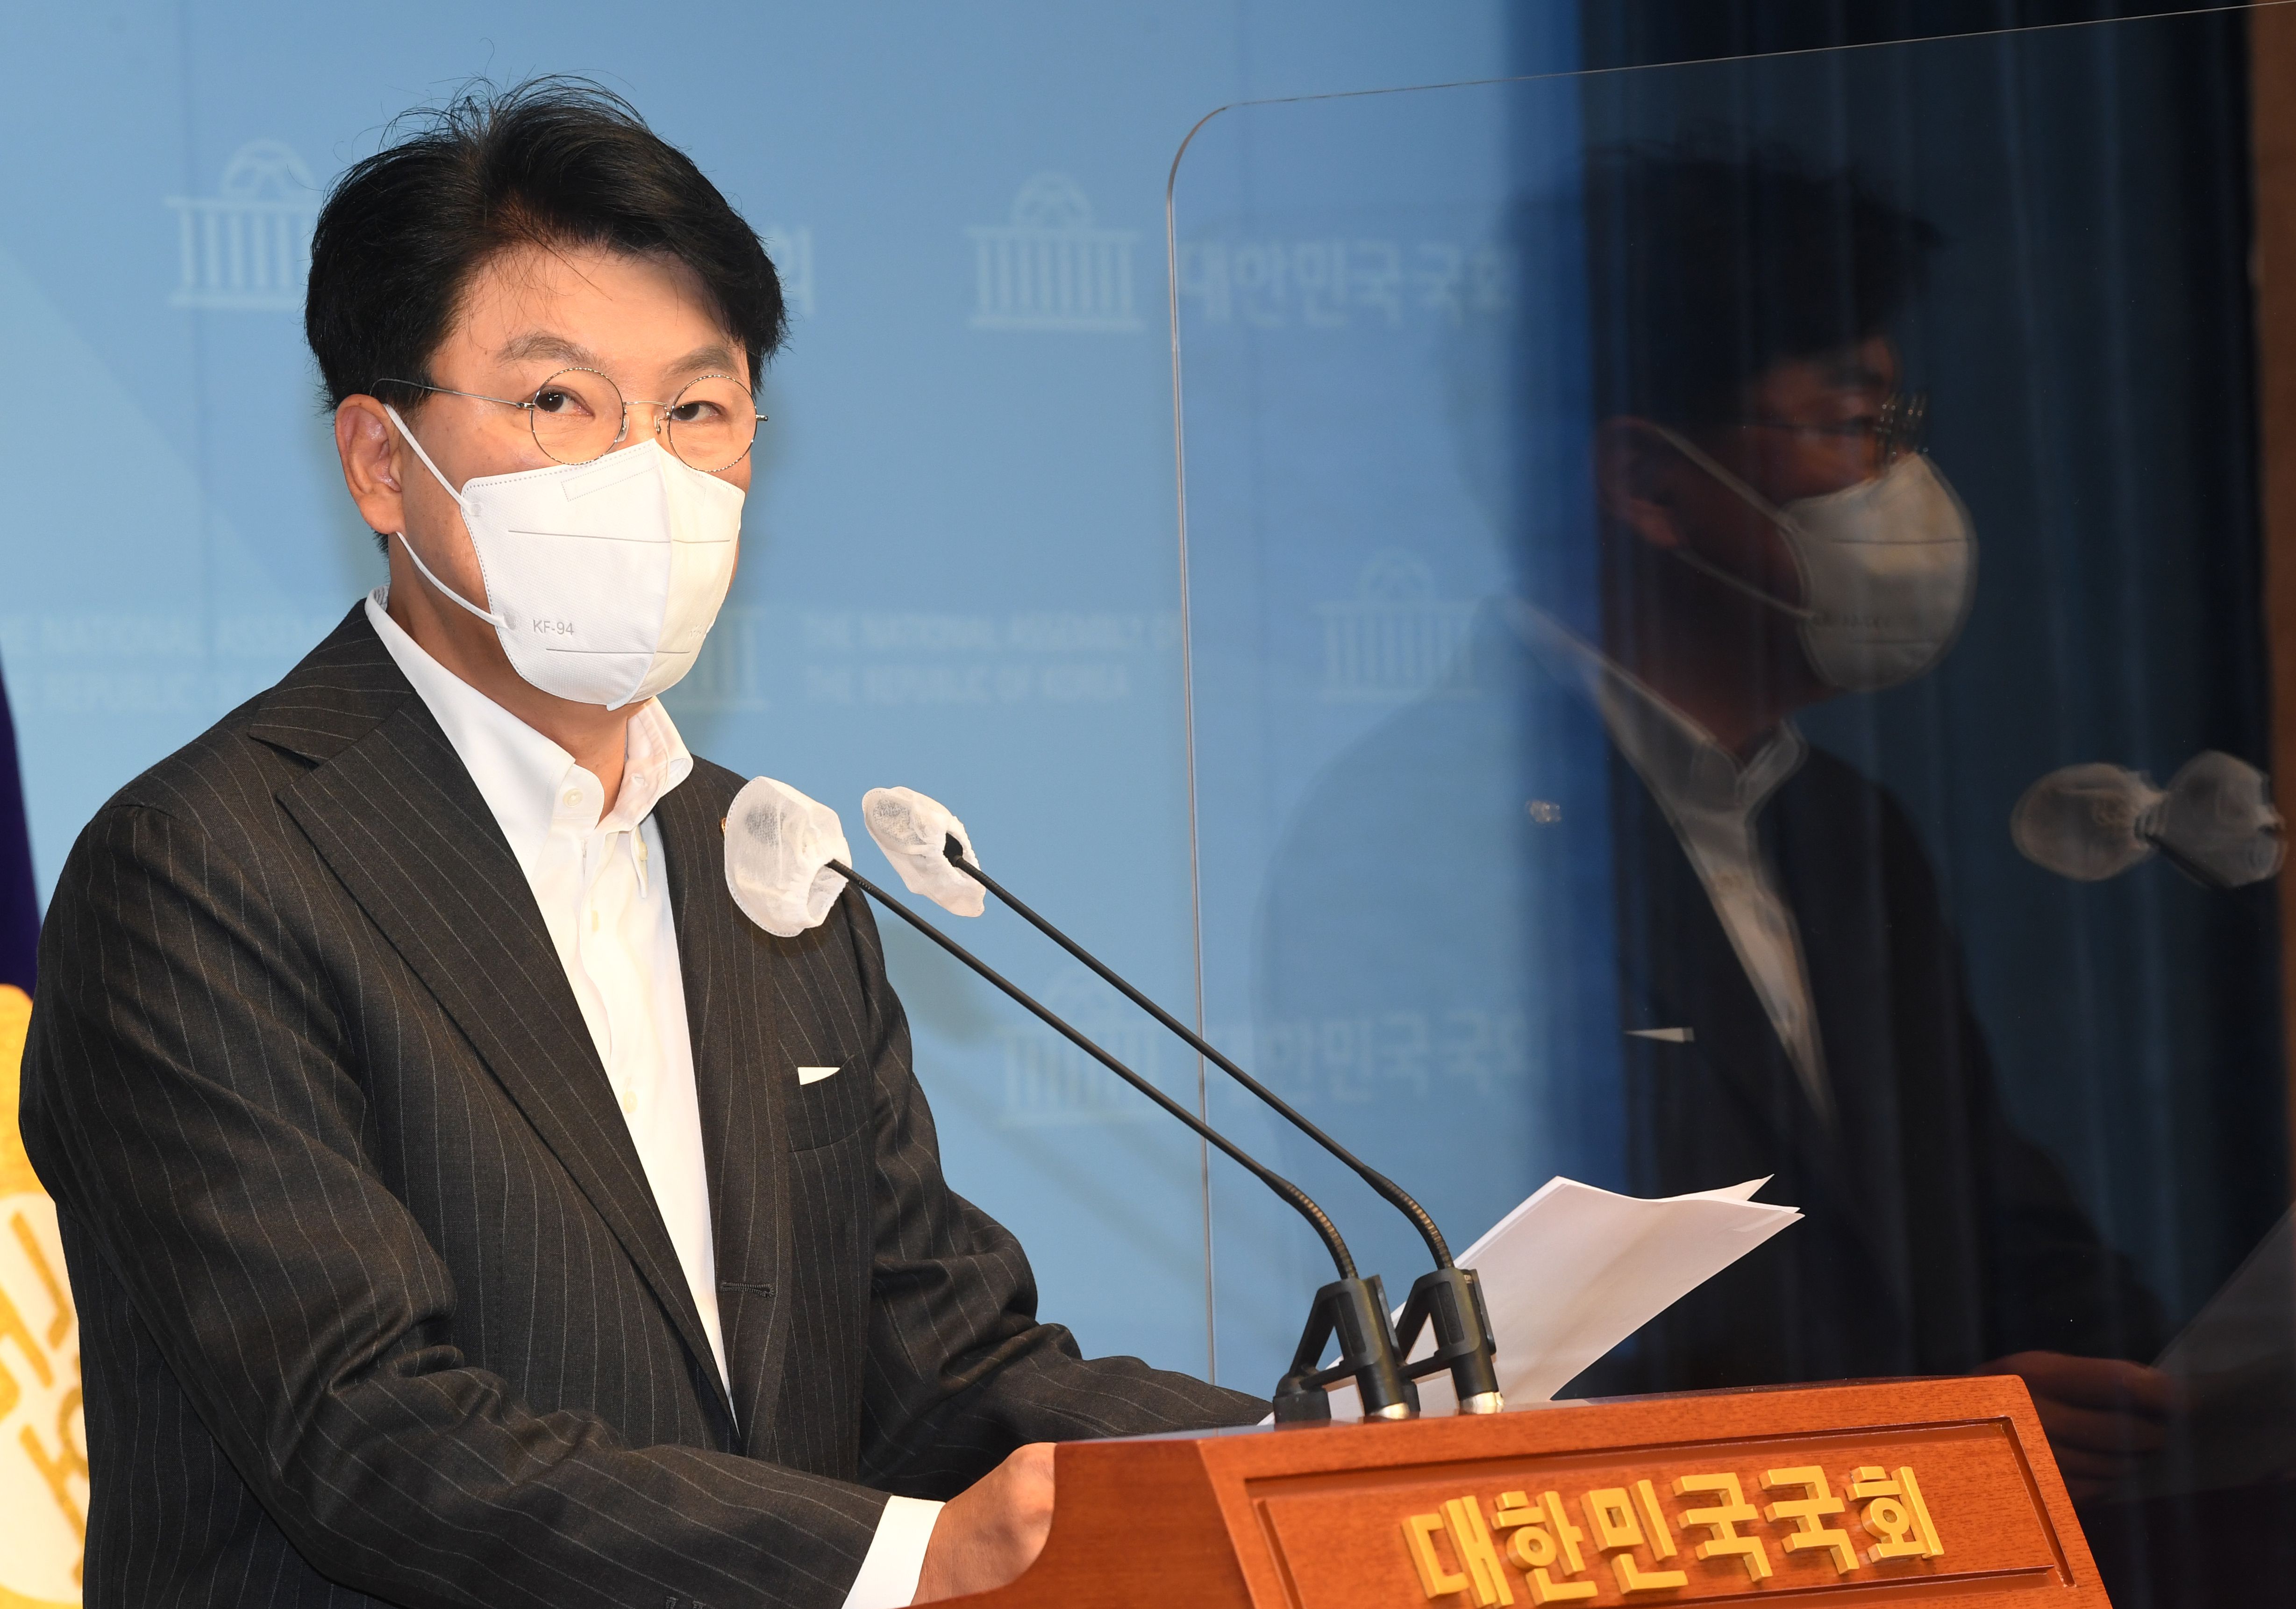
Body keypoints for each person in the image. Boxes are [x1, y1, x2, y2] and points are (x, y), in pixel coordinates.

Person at [21, 82, 1261, 1609]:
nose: (645, 475)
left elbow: (939, 1368)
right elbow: (364, 1431)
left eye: (695, 411)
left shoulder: (766, 866)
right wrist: (896, 1558)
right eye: (560, 403)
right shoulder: (203, 868)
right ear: (381, 460)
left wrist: (1328, 1451)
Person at [1257, 144, 2169, 1497]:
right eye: (1852, 422)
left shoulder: (1847, 828)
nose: (1898, 478)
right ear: (1650, 484)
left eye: (1897, 421)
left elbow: (1992, 1225)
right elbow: (1480, 1340)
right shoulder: (1431, 832)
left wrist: (2176, 1385)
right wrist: (1920, 1436)